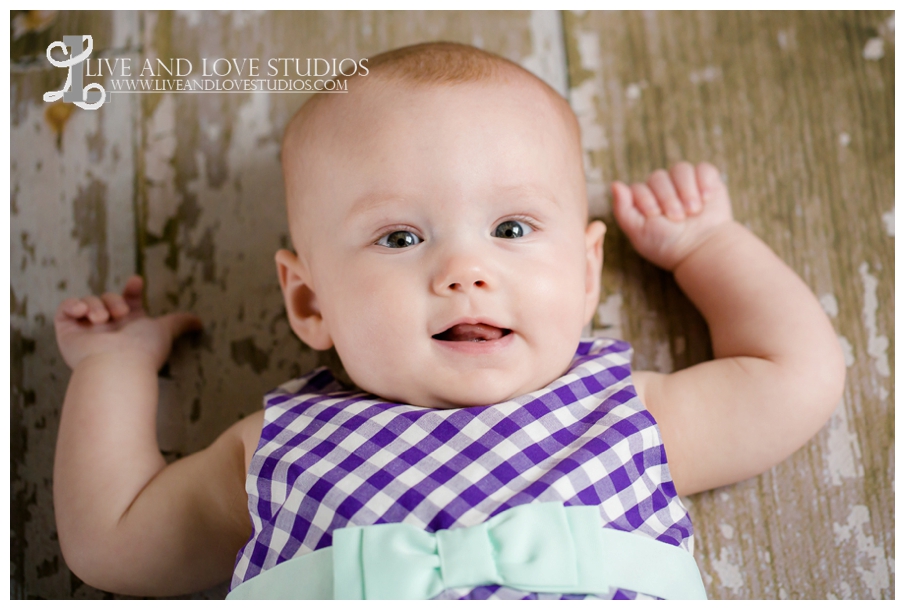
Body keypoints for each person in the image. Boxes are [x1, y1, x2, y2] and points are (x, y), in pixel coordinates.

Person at [52, 42, 845, 599]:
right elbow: (112, 543)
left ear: (584, 272)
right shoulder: (278, 449)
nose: (465, 271)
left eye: (511, 229)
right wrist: (111, 366)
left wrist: (707, 247)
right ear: (310, 302)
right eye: (400, 238)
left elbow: (793, 379)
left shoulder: (623, 415)